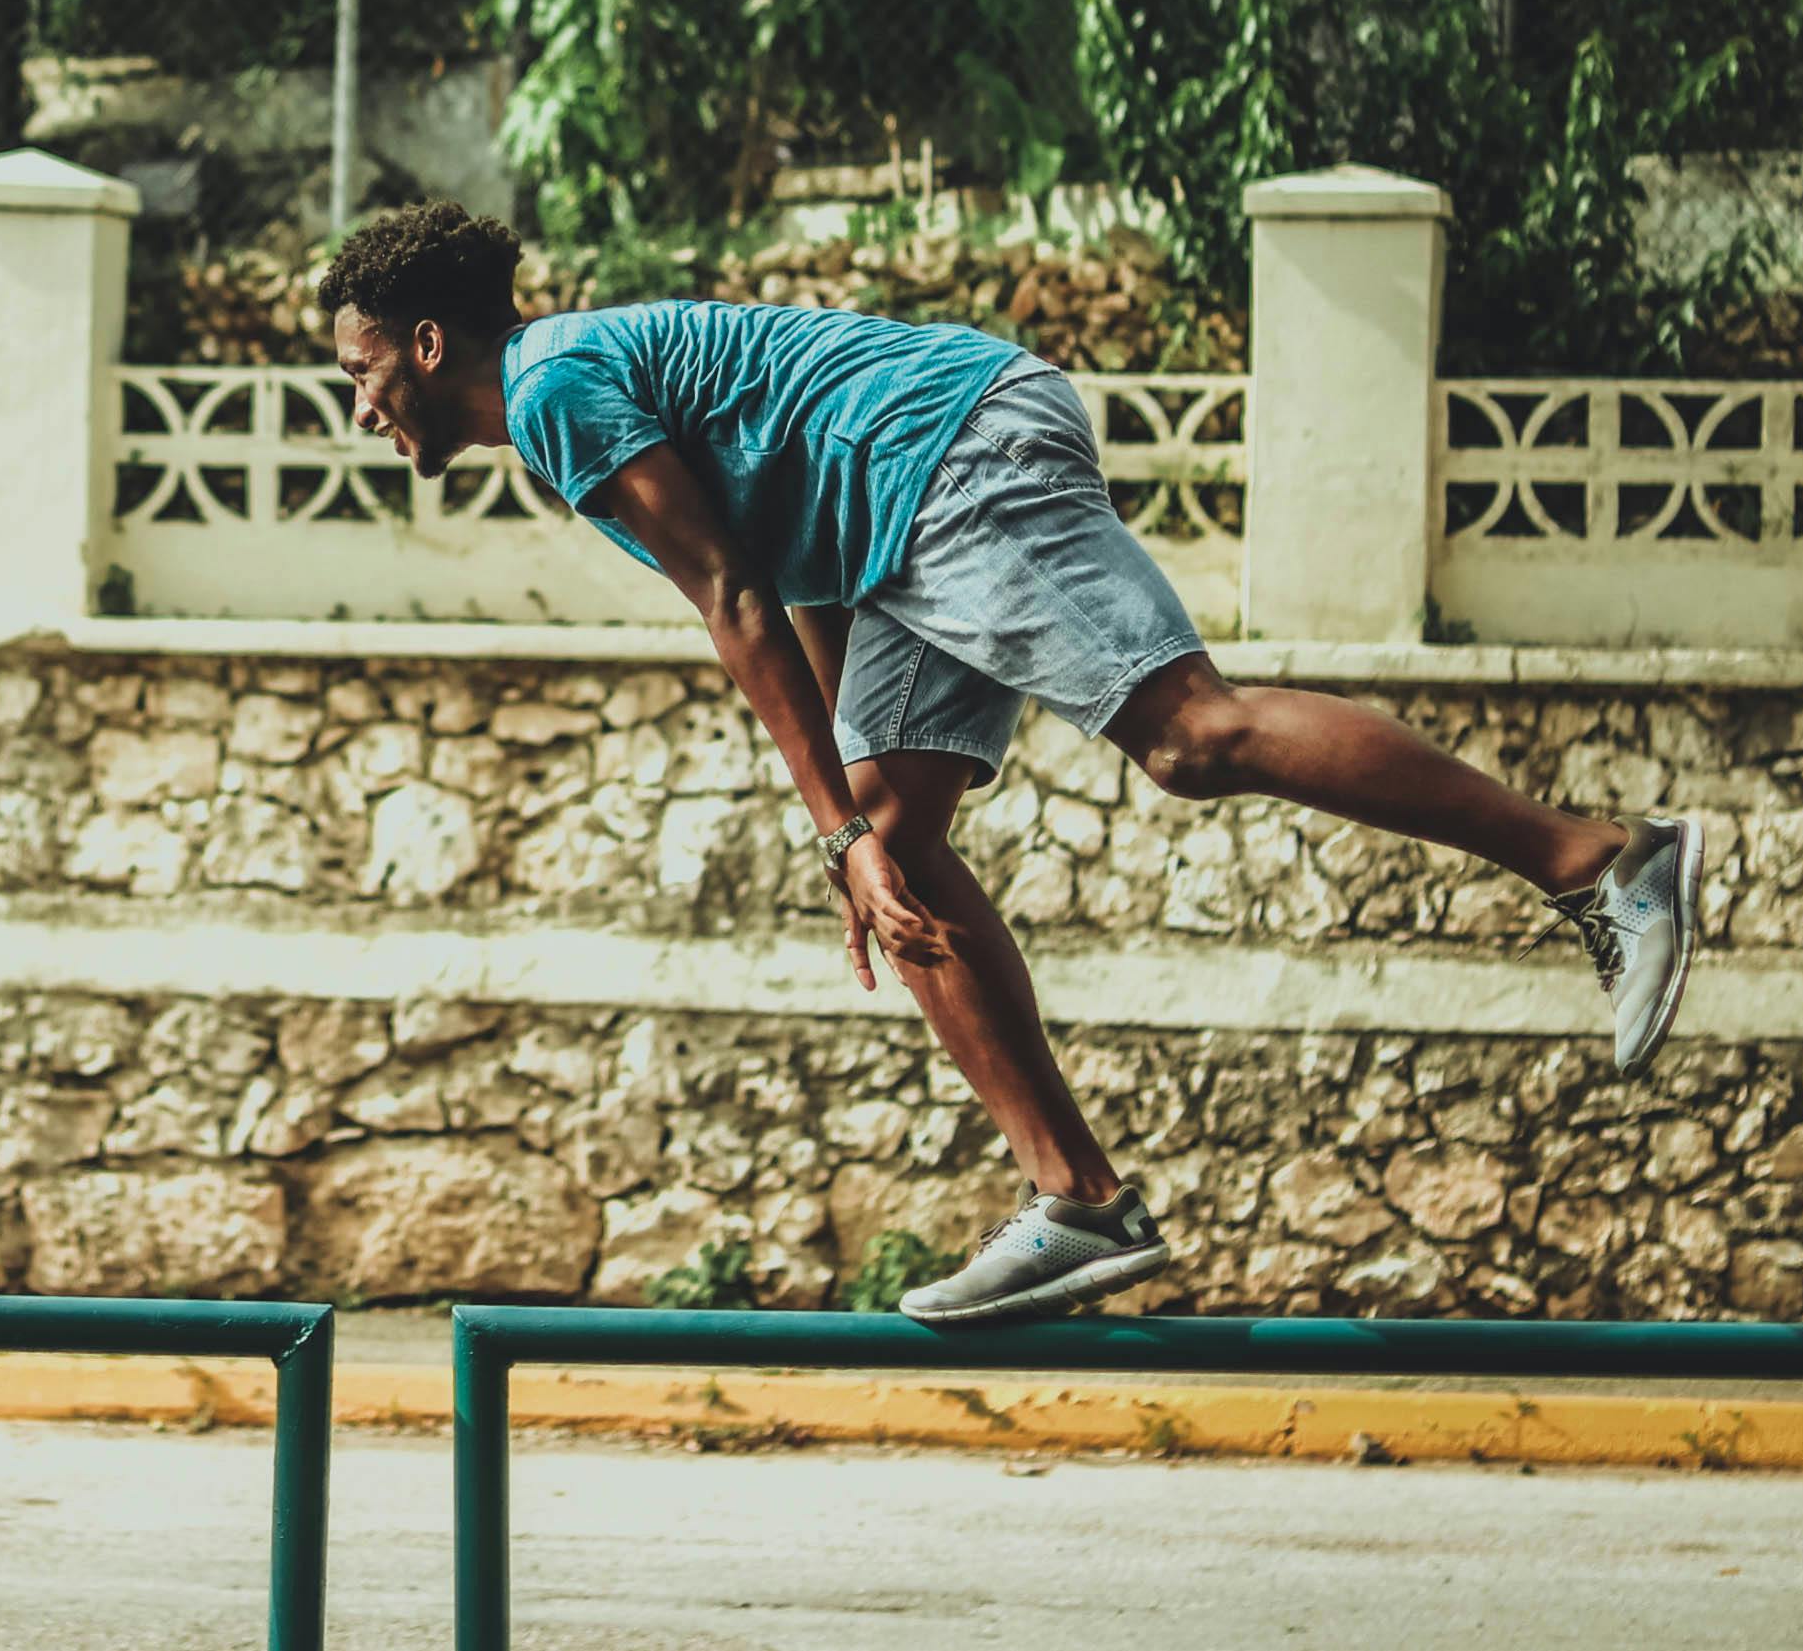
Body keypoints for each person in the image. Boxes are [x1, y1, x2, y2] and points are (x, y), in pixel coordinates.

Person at [317, 203, 1702, 1326]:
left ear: (426, 343)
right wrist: (856, 826)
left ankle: (1598, 859)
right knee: (898, 857)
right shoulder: (571, 382)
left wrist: (827, 828)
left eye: (362, 372)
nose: (362, 406)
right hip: (897, 498)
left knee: (1187, 735)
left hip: (951, 453)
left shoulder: (553, 386)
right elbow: (795, 553)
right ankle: (1078, 1201)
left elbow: (729, 591)